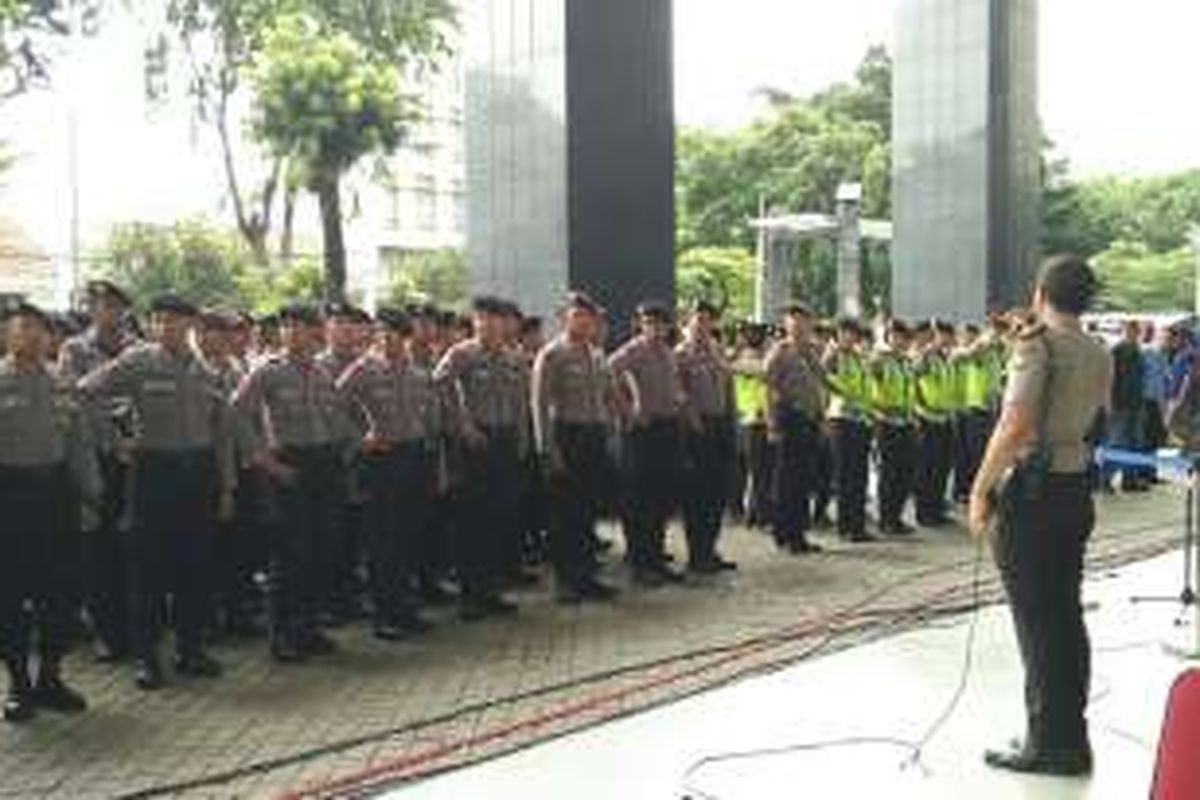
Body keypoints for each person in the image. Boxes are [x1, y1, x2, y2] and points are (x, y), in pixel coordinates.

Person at [969, 254, 1111, 776]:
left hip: (1034, 494)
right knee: (1065, 618)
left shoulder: (1036, 345)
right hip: (1075, 488)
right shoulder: (1098, 351)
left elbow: (1015, 426)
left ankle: (1048, 744)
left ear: (1041, 292)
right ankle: (1067, 735)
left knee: (1038, 624)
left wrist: (980, 489)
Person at [80, 295, 233, 690]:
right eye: (157, 320)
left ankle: (190, 650)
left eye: (173, 320)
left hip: (197, 474)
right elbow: (85, 393)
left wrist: (225, 485)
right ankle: (147, 658)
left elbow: (221, 432)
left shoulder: (206, 370)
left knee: (194, 566)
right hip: (154, 472)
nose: (164, 327)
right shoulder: (138, 361)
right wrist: (114, 440)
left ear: (191, 325)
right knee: (148, 570)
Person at [232, 303, 348, 662]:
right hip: (288, 467)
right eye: (286, 327)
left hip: (323, 465)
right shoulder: (268, 372)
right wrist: (264, 460)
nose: (291, 333)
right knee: (288, 555)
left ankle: (308, 628)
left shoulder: (323, 372)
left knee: (319, 549)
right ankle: (281, 635)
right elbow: (236, 412)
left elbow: (337, 416)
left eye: (299, 326)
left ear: (315, 332)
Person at [1, 302, 98, 723]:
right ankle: (19, 683)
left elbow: (80, 443)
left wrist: (92, 493)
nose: (32, 336)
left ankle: (51, 678)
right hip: (8, 496)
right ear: (7, 334)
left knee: (58, 591)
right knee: (10, 596)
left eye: (40, 330)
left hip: (56, 496)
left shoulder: (63, 382)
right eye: (23, 328)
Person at [338, 308, 439, 640]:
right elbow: (333, 406)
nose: (386, 338)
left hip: (412, 460)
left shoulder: (418, 373)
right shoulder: (364, 370)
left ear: (405, 337)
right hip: (381, 462)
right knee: (382, 543)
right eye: (381, 332)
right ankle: (384, 616)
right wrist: (359, 438)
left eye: (393, 333)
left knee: (407, 538)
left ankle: (404, 609)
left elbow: (428, 416)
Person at [57, 279, 138, 663]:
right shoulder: (74, 350)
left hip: (138, 460)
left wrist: (134, 440)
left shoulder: (139, 350)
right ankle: (107, 632)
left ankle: (136, 628)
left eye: (114, 306)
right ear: (91, 310)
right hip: (98, 459)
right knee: (100, 547)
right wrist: (114, 439)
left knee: (135, 547)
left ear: (125, 310)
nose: (107, 312)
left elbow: (145, 401)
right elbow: (75, 403)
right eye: (100, 305)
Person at [433, 297, 527, 620]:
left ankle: (491, 591)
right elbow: (439, 388)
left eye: (494, 319)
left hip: (505, 441)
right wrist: (462, 425)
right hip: (475, 445)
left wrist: (522, 443)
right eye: (481, 319)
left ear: (505, 323)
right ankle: (471, 596)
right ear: (474, 322)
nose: (487, 325)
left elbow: (520, 404)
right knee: (472, 522)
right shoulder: (461, 354)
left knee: (498, 519)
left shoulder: (514, 358)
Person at [530, 292, 621, 603]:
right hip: (567, 437)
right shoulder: (552, 354)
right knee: (564, 514)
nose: (583, 321)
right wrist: (548, 449)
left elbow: (608, 395)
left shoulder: (596, 354)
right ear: (564, 318)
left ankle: (585, 576)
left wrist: (612, 424)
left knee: (587, 511)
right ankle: (565, 581)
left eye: (588, 316)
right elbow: (539, 406)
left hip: (594, 438)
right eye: (576, 316)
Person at [608, 302, 687, 585]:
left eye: (660, 323)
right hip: (643, 432)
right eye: (648, 322)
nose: (655, 328)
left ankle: (655, 558)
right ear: (641, 324)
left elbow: (676, 383)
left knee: (661, 496)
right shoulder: (634, 350)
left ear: (668, 327)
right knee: (638, 499)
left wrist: (678, 397)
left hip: (667, 429)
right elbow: (608, 375)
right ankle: (639, 563)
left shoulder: (668, 352)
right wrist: (627, 411)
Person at [675, 300, 738, 572]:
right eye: (698, 320)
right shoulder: (681, 354)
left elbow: (729, 388)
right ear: (688, 321)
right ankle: (696, 554)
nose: (703, 325)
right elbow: (678, 393)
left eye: (708, 320)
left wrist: (731, 419)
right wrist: (692, 419)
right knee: (697, 495)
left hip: (720, 425)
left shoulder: (717, 350)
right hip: (696, 430)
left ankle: (710, 550)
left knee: (716, 492)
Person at [764, 302, 827, 554]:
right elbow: (767, 389)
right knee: (787, 481)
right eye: (794, 321)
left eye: (804, 321)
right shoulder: (780, 352)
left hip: (809, 421)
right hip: (789, 419)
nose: (799, 326)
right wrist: (771, 425)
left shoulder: (810, 352)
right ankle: (786, 533)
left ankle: (798, 532)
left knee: (804, 479)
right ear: (786, 325)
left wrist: (821, 418)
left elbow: (820, 385)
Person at [824, 317, 873, 542]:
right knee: (845, 475)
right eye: (847, 333)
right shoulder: (833, 356)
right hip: (841, 419)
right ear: (838, 333)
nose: (851, 337)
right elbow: (824, 382)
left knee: (859, 475)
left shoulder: (857, 358)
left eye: (854, 333)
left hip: (860, 420)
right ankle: (845, 526)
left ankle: (858, 524)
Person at [870, 318, 918, 536]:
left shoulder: (907, 362)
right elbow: (868, 378)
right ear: (888, 337)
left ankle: (896, 517)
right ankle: (886, 519)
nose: (902, 341)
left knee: (905, 472)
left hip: (906, 422)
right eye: (897, 336)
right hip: (886, 422)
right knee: (889, 472)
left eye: (905, 338)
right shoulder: (881, 360)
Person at [913, 320, 957, 526]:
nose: (947, 339)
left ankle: (937, 508)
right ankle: (924, 512)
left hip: (945, 418)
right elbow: (913, 378)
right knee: (927, 468)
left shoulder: (944, 358)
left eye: (949, 335)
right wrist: (919, 405)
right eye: (942, 335)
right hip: (927, 418)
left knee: (942, 467)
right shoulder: (926, 356)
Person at [1105, 319, 1146, 492]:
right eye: (1131, 331)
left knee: (1134, 442)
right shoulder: (1117, 351)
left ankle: (1130, 480)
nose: (1134, 335)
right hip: (1120, 403)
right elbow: (1110, 378)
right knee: (1116, 442)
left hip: (1135, 403)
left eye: (1136, 332)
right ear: (1125, 332)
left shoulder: (1138, 351)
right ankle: (1105, 480)